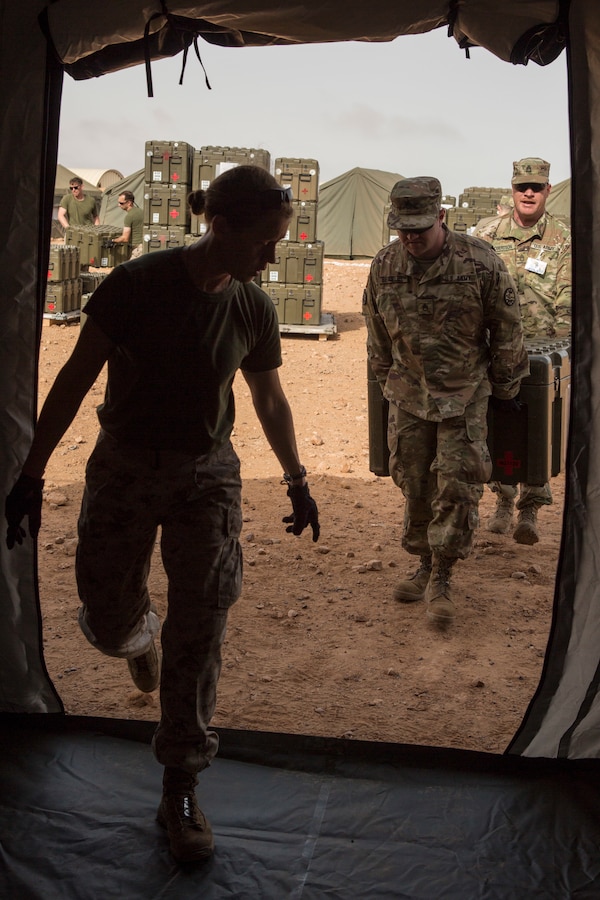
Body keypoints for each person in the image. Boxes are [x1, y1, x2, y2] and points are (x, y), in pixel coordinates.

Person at [5, 165, 320, 865]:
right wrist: (32, 472)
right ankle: (136, 637)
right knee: (108, 612)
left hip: (205, 477)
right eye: (265, 242)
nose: (273, 257)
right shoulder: (137, 285)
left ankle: (181, 782)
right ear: (222, 225)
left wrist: (297, 478)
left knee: (202, 625)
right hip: (123, 467)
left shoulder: (251, 308)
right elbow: (75, 376)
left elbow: (268, 399)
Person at [363, 176, 528, 628]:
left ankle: (442, 573)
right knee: (414, 482)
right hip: (409, 397)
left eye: (420, 228)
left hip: (465, 395)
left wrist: (507, 389)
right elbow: (376, 334)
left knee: (457, 484)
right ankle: (420, 560)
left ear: (441, 216)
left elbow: (508, 328)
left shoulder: (479, 262)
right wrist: (387, 382)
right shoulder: (384, 265)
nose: (412, 238)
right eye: (403, 229)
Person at [473, 158, 572, 544]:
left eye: (536, 186)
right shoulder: (486, 233)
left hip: (544, 352)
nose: (528, 193)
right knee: (496, 421)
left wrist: (562, 351)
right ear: (512, 189)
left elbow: (569, 297)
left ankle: (530, 506)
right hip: (496, 348)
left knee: (538, 428)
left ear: (548, 190)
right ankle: (502, 498)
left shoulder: (562, 237)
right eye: (522, 187)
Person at [110, 190, 144, 259]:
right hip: (145, 246)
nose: (118, 205)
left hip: (138, 249)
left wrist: (112, 241)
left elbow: (125, 238)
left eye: (121, 203)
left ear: (129, 203)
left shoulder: (129, 216)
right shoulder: (141, 212)